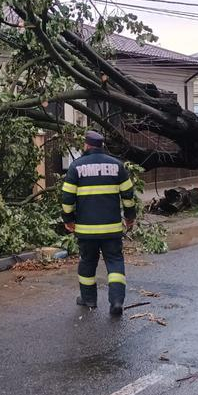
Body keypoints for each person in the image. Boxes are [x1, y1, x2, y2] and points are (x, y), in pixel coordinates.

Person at [61, 130, 136, 316]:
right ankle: (116, 301)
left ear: (86, 145)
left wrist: (68, 220)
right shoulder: (117, 165)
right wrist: (130, 217)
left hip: (86, 230)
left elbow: (67, 198)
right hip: (111, 229)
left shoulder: (76, 166)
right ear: (101, 145)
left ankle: (89, 300)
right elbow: (128, 196)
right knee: (115, 262)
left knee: (87, 261)